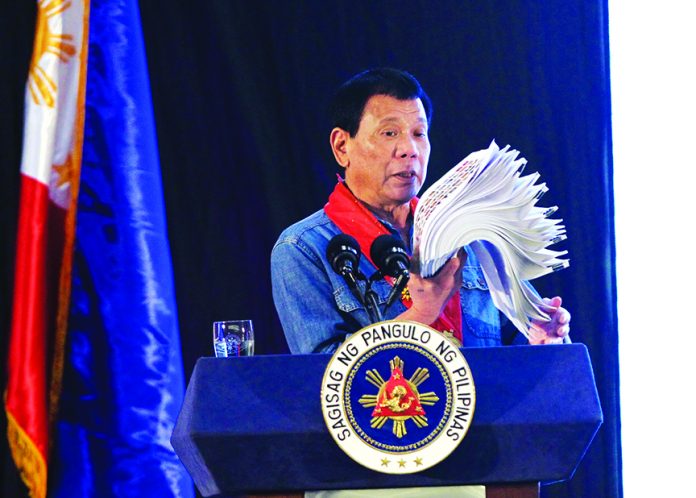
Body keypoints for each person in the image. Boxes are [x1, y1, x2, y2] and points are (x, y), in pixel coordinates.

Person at [271, 68, 570, 354]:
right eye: (389, 133)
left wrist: (542, 341)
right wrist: (422, 315)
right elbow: (326, 379)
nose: (409, 149)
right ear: (341, 147)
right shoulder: (303, 250)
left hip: (486, 408)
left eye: (419, 133)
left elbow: (517, 347)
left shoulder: (465, 232)